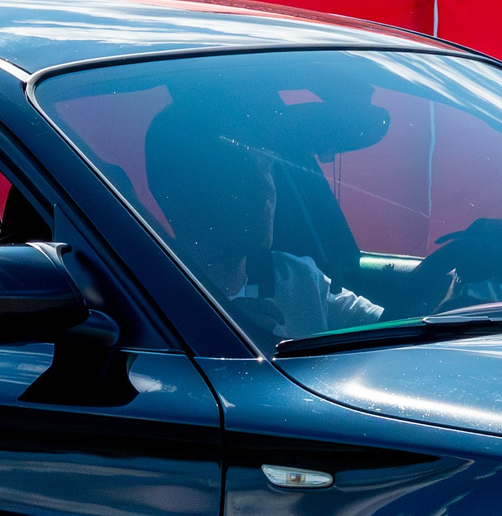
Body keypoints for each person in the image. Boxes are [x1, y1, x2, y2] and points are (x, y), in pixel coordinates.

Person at [145, 103, 389, 343]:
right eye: (238, 175)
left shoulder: (299, 278)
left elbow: (390, 326)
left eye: (266, 167)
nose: (265, 190)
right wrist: (216, 335)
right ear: (179, 196)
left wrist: (427, 279)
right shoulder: (146, 306)